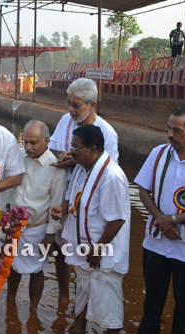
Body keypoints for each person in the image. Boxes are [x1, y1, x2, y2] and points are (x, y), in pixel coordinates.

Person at [49, 125, 130, 334]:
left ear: (93, 149)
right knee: (82, 293)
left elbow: (117, 219)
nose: (72, 152)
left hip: (102, 254)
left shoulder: (111, 176)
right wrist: (62, 210)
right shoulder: (81, 168)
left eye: (76, 147)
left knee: (109, 304)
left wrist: (98, 248)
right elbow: (74, 199)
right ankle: (78, 333)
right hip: (83, 249)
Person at [49, 77, 119, 306]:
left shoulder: (107, 133)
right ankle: (64, 293)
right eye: (68, 103)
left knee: (86, 245)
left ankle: (86, 299)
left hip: (89, 198)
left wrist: (75, 161)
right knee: (61, 245)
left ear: (92, 105)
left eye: (76, 105)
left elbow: (107, 169)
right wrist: (62, 156)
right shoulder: (64, 121)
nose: (70, 109)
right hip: (64, 191)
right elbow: (54, 147)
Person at [135, 106, 185, 334]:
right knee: (152, 299)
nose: (171, 135)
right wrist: (162, 221)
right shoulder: (159, 153)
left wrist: (172, 220)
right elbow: (143, 190)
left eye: (178, 131)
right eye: (169, 129)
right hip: (156, 243)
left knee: (184, 303)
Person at [6, 120, 67, 312]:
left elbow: (56, 204)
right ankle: (10, 301)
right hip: (15, 226)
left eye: (34, 143)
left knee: (37, 270)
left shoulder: (56, 167)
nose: (28, 147)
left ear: (47, 141)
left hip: (37, 228)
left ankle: (33, 310)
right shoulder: (20, 159)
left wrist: (49, 235)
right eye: (26, 142)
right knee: (12, 266)